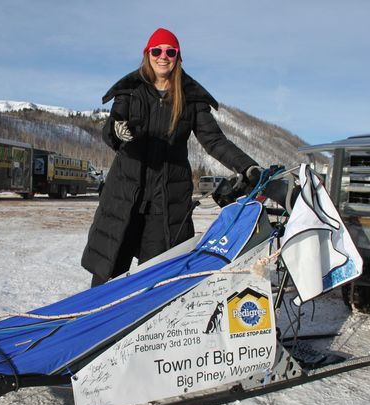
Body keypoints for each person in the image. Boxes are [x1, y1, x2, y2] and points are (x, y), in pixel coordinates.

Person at [82, 27, 261, 287]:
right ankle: (95, 323)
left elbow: (214, 140)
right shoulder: (130, 91)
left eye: (170, 51)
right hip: (124, 198)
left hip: (165, 204)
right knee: (106, 276)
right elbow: (112, 130)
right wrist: (117, 131)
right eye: (157, 50)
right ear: (148, 54)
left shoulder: (190, 99)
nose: (163, 56)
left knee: (155, 280)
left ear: (177, 57)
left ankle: (144, 325)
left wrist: (248, 166)